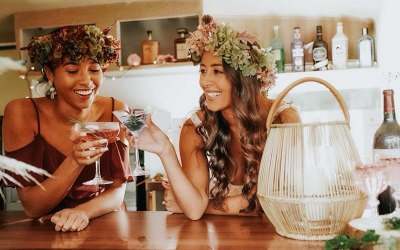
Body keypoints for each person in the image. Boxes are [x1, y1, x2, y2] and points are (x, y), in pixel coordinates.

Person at [125, 15, 300, 220]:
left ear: (243, 78)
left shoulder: (283, 119)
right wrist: (165, 150)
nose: (205, 81)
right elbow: (194, 211)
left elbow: (274, 200)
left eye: (217, 71)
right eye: (203, 70)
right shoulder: (195, 127)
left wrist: (202, 205)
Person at [2, 24, 131, 232]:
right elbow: (32, 208)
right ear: (50, 73)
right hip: (50, 231)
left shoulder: (117, 109)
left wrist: (83, 212)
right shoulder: (22, 113)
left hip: (106, 227)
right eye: (72, 70)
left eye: (94, 69)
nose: (86, 81)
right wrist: (75, 161)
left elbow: (118, 191)